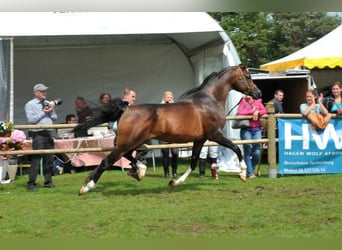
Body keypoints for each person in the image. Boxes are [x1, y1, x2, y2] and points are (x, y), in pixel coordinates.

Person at [24, 83, 58, 191]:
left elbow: (55, 118)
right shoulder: (30, 104)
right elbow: (31, 120)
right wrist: (43, 112)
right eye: (42, 91)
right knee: (36, 160)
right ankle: (31, 184)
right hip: (38, 134)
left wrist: (51, 110)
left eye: (45, 91)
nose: (45, 93)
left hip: (49, 133)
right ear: (36, 93)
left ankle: (48, 182)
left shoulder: (48, 103)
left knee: (49, 159)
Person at [237, 95, 267, 179]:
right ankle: (250, 173)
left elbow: (264, 110)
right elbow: (239, 113)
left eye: (248, 93)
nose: (247, 95)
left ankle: (250, 170)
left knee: (257, 153)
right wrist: (251, 111)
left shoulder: (258, 101)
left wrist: (258, 112)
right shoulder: (243, 102)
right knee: (248, 149)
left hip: (257, 129)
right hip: (246, 129)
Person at [159, 91, 179, 178]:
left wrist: (172, 106)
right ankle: (166, 172)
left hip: (173, 134)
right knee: (165, 154)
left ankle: (174, 171)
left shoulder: (176, 107)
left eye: (170, 97)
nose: (169, 98)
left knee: (175, 153)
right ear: (164, 98)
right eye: (167, 97)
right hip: (163, 134)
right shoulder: (160, 107)